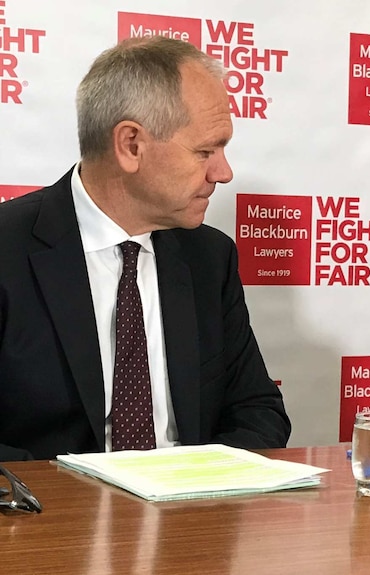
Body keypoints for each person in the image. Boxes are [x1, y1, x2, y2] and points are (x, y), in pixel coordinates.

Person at [0, 36, 291, 461]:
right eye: (205, 151)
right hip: (49, 517)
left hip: (189, 515)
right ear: (131, 145)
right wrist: (87, 500)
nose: (223, 173)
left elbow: (258, 410)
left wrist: (196, 484)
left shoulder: (211, 258)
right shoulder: (8, 249)